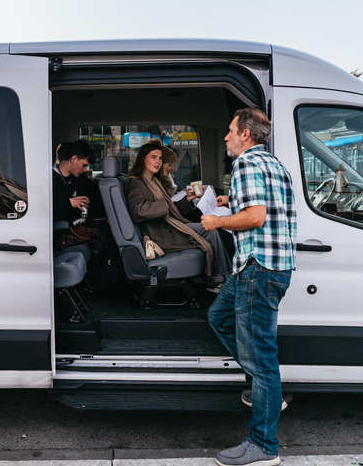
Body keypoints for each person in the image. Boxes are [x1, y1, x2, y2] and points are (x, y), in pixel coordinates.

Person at [201, 108, 297, 466]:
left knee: (261, 360)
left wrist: (216, 221)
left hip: (258, 269)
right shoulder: (274, 164)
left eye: (229, 131)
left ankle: (263, 445)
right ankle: (266, 391)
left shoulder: (244, 164)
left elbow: (256, 217)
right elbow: (267, 208)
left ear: (245, 134)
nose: (226, 137)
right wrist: (230, 202)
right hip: (270, 267)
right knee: (219, 316)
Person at [125, 141, 231, 285]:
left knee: (209, 227)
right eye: (153, 157)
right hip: (159, 234)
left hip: (167, 228)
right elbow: (137, 211)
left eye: (160, 158)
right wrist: (163, 205)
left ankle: (225, 276)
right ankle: (220, 278)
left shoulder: (154, 180)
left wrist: (187, 200)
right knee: (208, 229)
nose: (158, 162)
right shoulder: (136, 182)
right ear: (143, 159)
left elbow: (170, 209)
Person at [53, 140, 105, 254]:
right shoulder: (49, 179)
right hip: (58, 232)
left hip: (78, 224)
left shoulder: (80, 179)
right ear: (73, 159)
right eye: (84, 165)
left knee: (106, 227)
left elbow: (97, 195)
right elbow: (45, 211)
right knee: (102, 231)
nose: (85, 170)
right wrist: (69, 203)